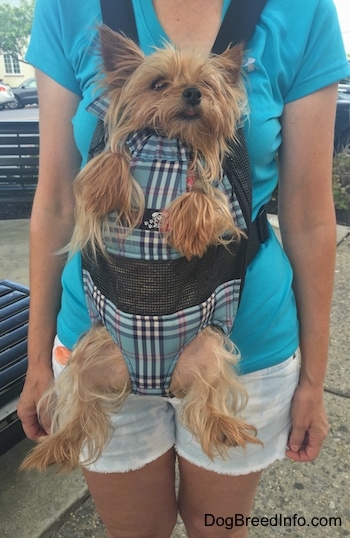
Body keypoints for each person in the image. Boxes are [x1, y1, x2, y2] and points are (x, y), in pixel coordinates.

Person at [17, 0, 350, 537]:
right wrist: (37, 361)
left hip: (242, 350)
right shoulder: (66, 7)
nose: (187, 94)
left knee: (217, 527)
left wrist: (315, 378)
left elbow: (311, 219)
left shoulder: (302, 11)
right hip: (98, 341)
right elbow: (56, 203)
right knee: (135, 531)